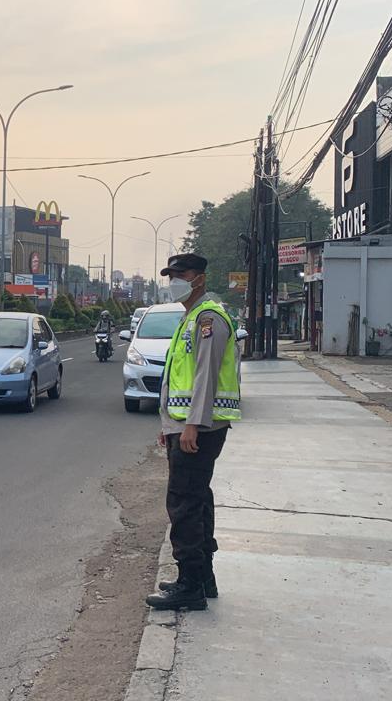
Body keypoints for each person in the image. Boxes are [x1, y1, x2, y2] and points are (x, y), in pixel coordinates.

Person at [145, 253, 241, 612]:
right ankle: (203, 578)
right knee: (197, 498)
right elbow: (177, 377)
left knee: (183, 502)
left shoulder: (208, 319)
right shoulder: (191, 317)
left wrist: (191, 425)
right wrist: (170, 425)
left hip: (200, 427)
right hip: (186, 425)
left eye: (180, 275)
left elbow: (205, 376)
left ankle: (189, 585)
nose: (174, 282)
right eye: (171, 276)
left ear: (199, 278)